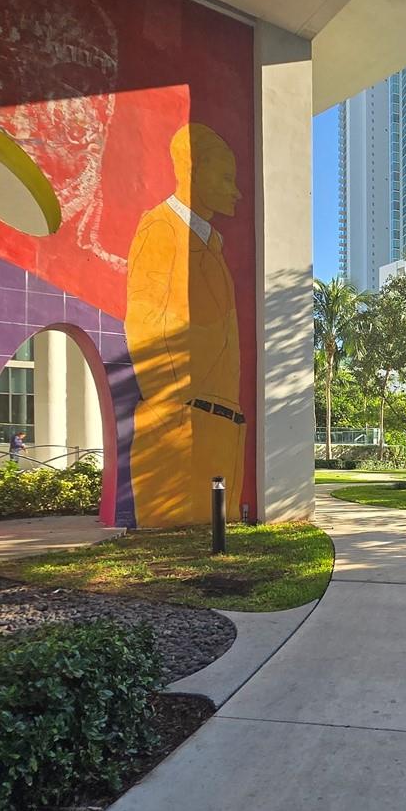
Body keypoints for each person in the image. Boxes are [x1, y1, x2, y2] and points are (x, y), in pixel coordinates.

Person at [127, 123, 245, 526]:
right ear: (193, 169)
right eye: (225, 178)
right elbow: (143, 323)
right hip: (182, 423)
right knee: (183, 527)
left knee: (218, 523)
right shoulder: (161, 229)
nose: (236, 192)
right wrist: (175, 407)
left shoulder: (212, 242)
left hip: (219, 421)